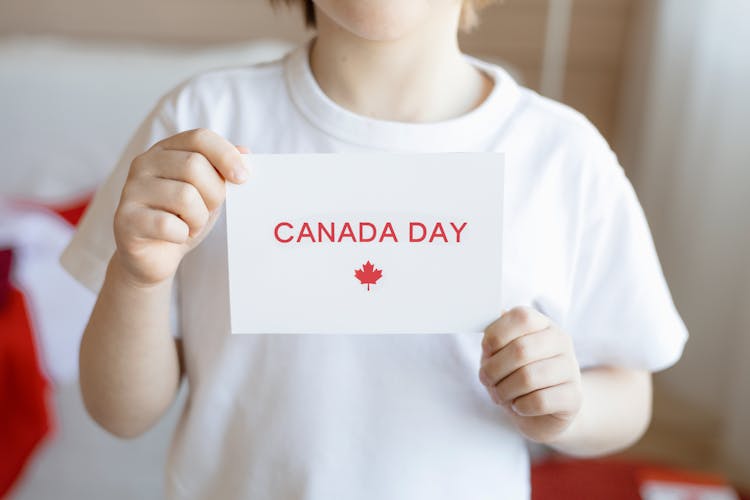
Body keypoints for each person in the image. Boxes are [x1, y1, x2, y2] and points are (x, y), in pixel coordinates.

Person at [60, 0, 688, 498]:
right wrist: (138, 277)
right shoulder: (201, 120)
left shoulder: (560, 156)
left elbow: (630, 392)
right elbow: (120, 413)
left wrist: (567, 407)